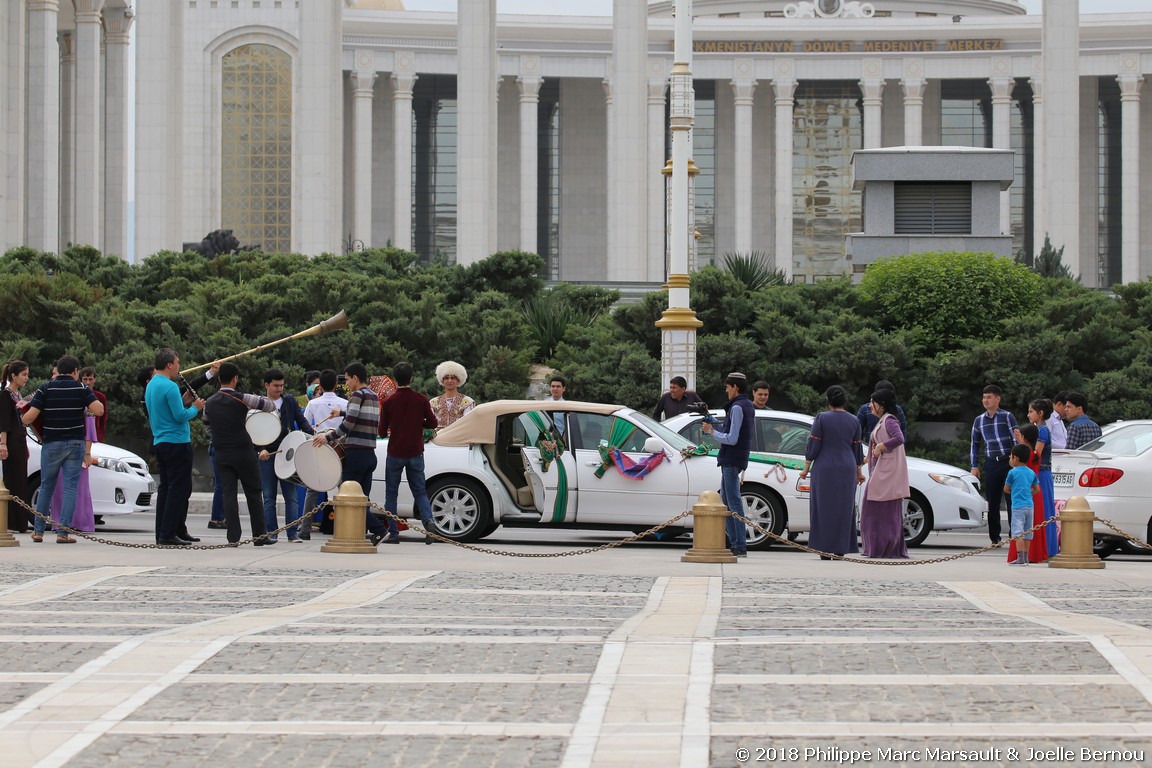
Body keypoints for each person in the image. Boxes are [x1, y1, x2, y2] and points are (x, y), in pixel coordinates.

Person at [21, 355, 104, 543]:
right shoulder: (82, 388)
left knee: (46, 486)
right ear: (75, 372)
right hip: (75, 444)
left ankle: (39, 531)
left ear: (58, 370)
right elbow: (98, 410)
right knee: (70, 488)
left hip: (51, 443)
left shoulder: (45, 388)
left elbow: (29, 417)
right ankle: (63, 533)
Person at [312, 362, 392, 546]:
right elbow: (360, 415)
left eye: (347, 379)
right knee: (363, 498)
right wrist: (340, 411)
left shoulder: (356, 395)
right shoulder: (372, 395)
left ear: (355, 378)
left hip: (356, 454)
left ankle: (379, 530)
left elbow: (349, 423)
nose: (346, 383)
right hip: (369, 454)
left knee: (348, 497)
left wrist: (328, 437)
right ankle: (366, 534)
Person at [203, 363, 277, 545]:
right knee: (253, 492)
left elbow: (207, 427)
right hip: (244, 452)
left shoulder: (209, 402)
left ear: (219, 379)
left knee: (228, 493)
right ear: (235, 379)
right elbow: (269, 405)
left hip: (221, 453)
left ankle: (233, 537)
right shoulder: (242, 398)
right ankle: (260, 536)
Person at [145, 348, 205, 546]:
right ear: (169, 364)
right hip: (177, 441)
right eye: (177, 363)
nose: (179, 367)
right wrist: (194, 407)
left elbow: (168, 410)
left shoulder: (152, 384)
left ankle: (164, 531)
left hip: (160, 441)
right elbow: (180, 416)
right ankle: (169, 533)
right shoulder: (169, 386)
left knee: (166, 488)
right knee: (178, 489)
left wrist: (183, 402)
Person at [800, 385, 864, 559]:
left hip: (825, 467)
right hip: (847, 467)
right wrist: (859, 471)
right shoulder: (854, 420)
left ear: (828, 400)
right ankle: (840, 548)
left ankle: (824, 548)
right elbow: (857, 448)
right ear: (844, 400)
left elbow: (813, 445)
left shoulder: (822, 418)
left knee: (823, 507)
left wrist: (806, 469)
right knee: (844, 507)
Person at [379, 361, 439, 544]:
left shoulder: (389, 401)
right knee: (420, 491)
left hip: (395, 451)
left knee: (391, 494)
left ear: (395, 378)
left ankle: (394, 532)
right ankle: (428, 522)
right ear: (411, 378)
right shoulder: (420, 399)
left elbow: (381, 431)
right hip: (415, 451)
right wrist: (418, 423)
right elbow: (433, 423)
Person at [700, 372, 755, 557]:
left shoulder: (738, 407)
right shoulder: (745, 405)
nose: (726, 390)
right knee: (726, 501)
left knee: (733, 503)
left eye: (727, 387)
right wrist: (711, 420)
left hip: (732, 459)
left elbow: (731, 438)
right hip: (733, 459)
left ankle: (739, 545)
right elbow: (730, 429)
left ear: (735, 387)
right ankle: (734, 543)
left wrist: (711, 432)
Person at [256, 368, 314, 542]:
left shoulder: (289, 401)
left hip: (287, 452)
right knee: (268, 496)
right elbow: (252, 431)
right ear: (266, 385)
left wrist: (312, 435)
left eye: (281, 385)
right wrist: (259, 450)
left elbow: (301, 421)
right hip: (267, 454)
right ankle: (271, 532)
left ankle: (292, 532)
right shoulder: (259, 403)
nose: (279, 389)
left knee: (291, 496)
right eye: (275, 385)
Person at [860, 389, 909, 559]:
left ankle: (883, 547)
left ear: (881, 405)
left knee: (877, 511)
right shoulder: (882, 420)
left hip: (886, 474)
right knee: (875, 511)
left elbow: (899, 438)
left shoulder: (889, 420)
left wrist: (882, 446)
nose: (870, 405)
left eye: (872, 402)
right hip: (880, 471)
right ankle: (876, 548)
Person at [301, 369, 347, 538]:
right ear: (336, 384)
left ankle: (305, 529)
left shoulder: (313, 404)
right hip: (340, 447)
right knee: (343, 487)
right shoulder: (344, 403)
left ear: (320, 385)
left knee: (312, 489)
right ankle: (345, 527)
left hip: (320, 446)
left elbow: (306, 425)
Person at [969, 384, 1018, 545]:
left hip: (1008, 461)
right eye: (984, 397)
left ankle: (1014, 534)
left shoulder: (1007, 416)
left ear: (998, 399)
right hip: (991, 463)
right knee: (993, 501)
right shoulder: (979, 420)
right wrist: (974, 466)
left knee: (1011, 499)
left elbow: (1016, 440)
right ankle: (995, 537)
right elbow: (975, 444)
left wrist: (1015, 459)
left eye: (989, 397)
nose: (986, 400)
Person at [51, 401, 97, 533]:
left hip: (78, 450)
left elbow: (89, 431)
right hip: (58, 450)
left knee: (79, 488)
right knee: (58, 488)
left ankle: (80, 522)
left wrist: (87, 453)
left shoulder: (86, 407)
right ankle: (58, 522)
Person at [1007, 423, 1048, 564]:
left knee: (1019, 528)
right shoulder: (1036, 454)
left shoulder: (1026, 455)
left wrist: (1019, 444)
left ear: (1023, 437)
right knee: (1031, 527)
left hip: (1022, 495)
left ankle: (1020, 556)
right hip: (1034, 494)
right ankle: (1033, 555)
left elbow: (1020, 461)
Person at [0, 360, 32, 532]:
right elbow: (4, 421)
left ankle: (20, 521)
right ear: (14, 376)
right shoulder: (5, 395)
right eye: (24, 374)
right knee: (13, 480)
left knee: (21, 480)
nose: (26, 378)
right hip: (11, 441)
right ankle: (11, 521)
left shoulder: (18, 394)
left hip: (20, 440)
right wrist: (3, 444)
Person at [1027, 398, 1060, 556]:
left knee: (1044, 511)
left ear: (1040, 413)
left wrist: (1022, 443)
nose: (1029, 415)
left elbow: (1036, 455)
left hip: (1042, 473)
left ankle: (1047, 548)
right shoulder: (1038, 429)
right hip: (1039, 472)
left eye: (1031, 411)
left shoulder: (1042, 430)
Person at [1003, 443, 1039, 566]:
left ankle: (1020, 558)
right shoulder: (1031, 472)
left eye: (1011, 457)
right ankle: (1026, 558)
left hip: (1018, 506)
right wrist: (1028, 493)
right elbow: (1037, 489)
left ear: (1016, 458)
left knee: (1017, 532)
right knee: (1028, 532)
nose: (1010, 459)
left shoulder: (1012, 473)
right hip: (1030, 505)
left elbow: (1006, 489)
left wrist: (1015, 491)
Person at [856, 379, 907, 444]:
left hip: (890, 450)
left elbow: (902, 436)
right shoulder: (865, 409)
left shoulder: (896, 411)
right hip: (869, 449)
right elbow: (857, 433)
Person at [429, 360, 475, 428]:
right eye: (446, 378)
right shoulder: (433, 403)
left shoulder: (468, 402)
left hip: (459, 437)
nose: (449, 381)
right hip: (438, 438)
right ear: (442, 380)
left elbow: (469, 425)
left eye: (453, 378)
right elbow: (429, 425)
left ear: (458, 380)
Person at [79, 367, 108, 443]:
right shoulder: (77, 395)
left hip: (96, 436)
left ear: (94, 379)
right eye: (85, 379)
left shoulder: (101, 397)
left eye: (90, 379)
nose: (88, 382)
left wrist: (100, 436)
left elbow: (103, 419)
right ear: (81, 380)